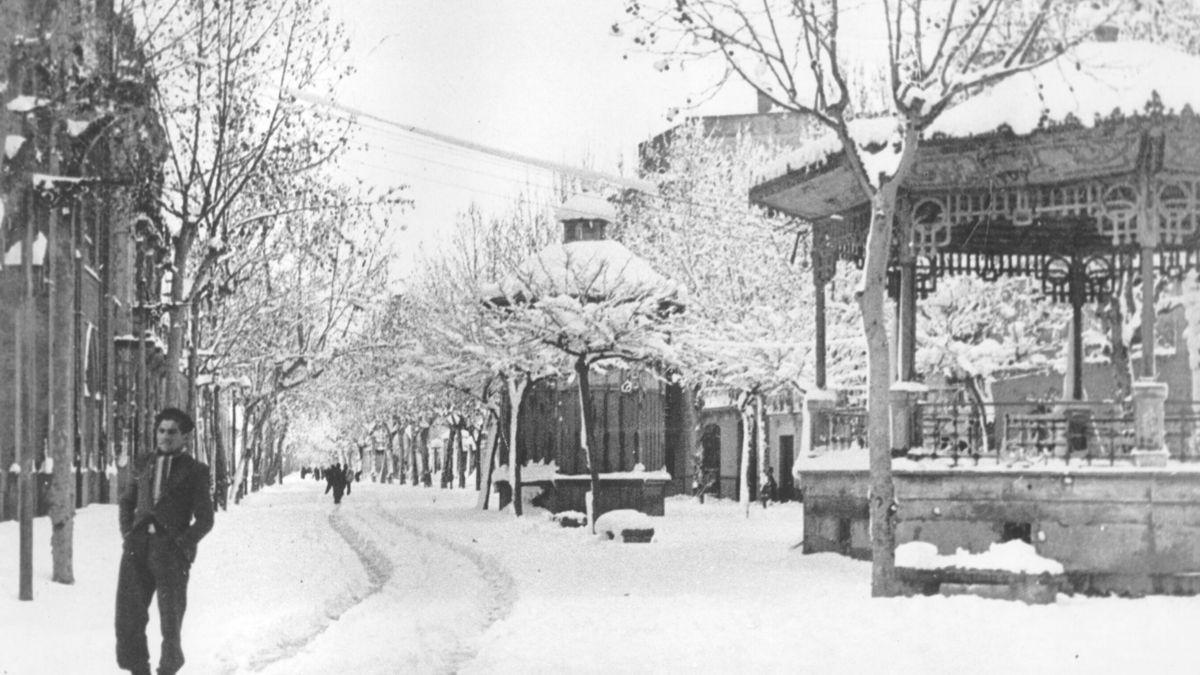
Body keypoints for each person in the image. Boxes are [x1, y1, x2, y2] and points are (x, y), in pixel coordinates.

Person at [116, 407, 214, 675]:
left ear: (184, 437)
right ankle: (138, 669)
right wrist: (128, 533)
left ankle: (168, 669)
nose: (165, 436)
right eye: (161, 431)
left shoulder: (195, 470)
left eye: (172, 432)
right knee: (129, 616)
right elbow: (127, 501)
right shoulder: (143, 463)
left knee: (171, 619)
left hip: (170, 553)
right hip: (137, 549)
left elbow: (206, 518)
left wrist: (182, 545)